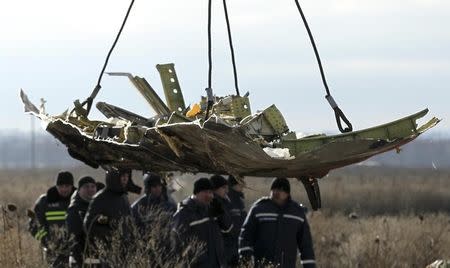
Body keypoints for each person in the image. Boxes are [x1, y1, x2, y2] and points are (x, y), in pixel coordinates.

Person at [239, 178, 316, 268]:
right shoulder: (259, 209)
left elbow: (306, 245)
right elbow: (245, 235)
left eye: (280, 190)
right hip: (262, 264)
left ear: (287, 193)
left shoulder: (297, 213)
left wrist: (309, 265)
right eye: (274, 189)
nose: (276, 193)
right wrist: (246, 260)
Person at [171, 177, 233, 268]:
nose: (210, 196)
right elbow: (177, 243)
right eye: (206, 192)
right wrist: (197, 260)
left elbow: (228, 229)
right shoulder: (185, 213)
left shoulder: (212, 209)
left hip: (218, 264)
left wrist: (221, 213)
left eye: (211, 192)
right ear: (197, 193)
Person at [83, 169, 134, 265]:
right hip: (108, 252)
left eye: (127, 176)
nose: (125, 179)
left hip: (126, 252)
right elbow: (88, 225)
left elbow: (130, 222)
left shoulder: (123, 197)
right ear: (114, 177)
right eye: (122, 176)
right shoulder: (100, 198)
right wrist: (111, 235)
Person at [28, 171, 76, 267]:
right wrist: (47, 241)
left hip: (76, 252)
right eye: (61, 186)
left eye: (67, 186)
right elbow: (34, 226)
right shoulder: (45, 202)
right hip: (53, 253)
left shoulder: (79, 201)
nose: (64, 189)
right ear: (56, 186)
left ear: (72, 186)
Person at [66, 176, 97, 267]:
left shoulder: (97, 206)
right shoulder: (75, 210)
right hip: (81, 261)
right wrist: (81, 262)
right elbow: (74, 239)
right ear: (79, 190)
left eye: (92, 186)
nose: (90, 189)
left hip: (96, 260)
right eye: (86, 187)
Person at [227, 175, 247, 266]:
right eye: (241, 182)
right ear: (233, 184)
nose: (244, 185)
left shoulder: (239, 199)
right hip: (229, 247)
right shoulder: (227, 200)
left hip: (238, 245)